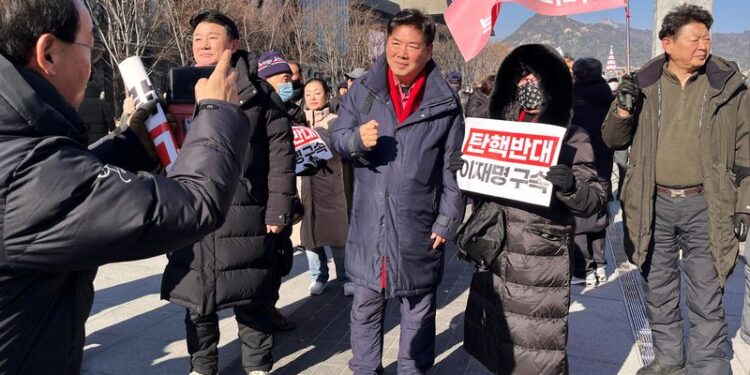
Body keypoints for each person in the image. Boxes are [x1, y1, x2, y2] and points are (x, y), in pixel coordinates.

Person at [0, 1, 251, 373]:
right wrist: (219, 111)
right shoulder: (27, 175)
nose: (92, 63)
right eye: (90, 48)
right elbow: (195, 203)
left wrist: (130, 146)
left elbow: (66, 181)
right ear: (48, 53)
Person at [602, 5, 750, 374]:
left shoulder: (728, 86)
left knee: (707, 288)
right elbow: (612, 138)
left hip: (707, 202)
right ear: (668, 43)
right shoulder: (645, 84)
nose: (704, 45)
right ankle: (669, 360)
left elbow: (746, 148)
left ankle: (709, 363)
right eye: (695, 38)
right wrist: (623, 108)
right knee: (659, 288)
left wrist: (745, 204)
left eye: (707, 37)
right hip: (654, 203)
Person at [330, 9, 465, 374]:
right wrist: (356, 140)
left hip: (419, 225)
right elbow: (337, 138)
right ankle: (364, 369)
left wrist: (447, 220)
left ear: (429, 50)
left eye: (412, 45)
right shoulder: (364, 90)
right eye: (395, 43)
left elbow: (453, 167)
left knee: (419, 308)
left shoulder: (445, 104)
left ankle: (413, 370)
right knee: (365, 306)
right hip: (370, 222)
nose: (402, 53)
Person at [160, 11, 296, 375]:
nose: (202, 44)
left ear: (233, 45)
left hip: (245, 210)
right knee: (196, 300)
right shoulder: (178, 91)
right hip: (192, 211)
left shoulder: (260, 93)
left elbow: (282, 154)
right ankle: (201, 366)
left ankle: (257, 366)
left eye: (212, 37)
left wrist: (279, 210)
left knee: (251, 296)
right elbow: (165, 151)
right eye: (197, 39)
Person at [460, 44, 605, 375]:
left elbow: (594, 202)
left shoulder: (572, 136)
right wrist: (462, 170)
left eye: (538, 78)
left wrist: (570, 185)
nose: (530, 86)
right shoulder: (494, 129)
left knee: (537, 350)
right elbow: (475, 186)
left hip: (541, 257)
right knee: (498, 344)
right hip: (496, 250)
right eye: (523, 78)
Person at [300, 78, 355, 297]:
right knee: (310, 238)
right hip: (304, 187)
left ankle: (346, 276)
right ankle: (318, 276)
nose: (312, 98)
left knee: (338, 235)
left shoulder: (336, 121)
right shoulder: (298, 122)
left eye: (317, 93)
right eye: (308, 93)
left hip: (332, 186)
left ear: (327, 95)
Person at [570, 57, 615, 286]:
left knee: (578, 216)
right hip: (604, 166)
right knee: (600, 216)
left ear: (577, 75)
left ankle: (582, 268)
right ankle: (600, 264)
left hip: (577, 164)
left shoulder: (571, 99)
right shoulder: (610, 99)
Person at [257, 51, 306, 125]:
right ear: (267, 80)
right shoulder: (253, 111)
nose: (290, 83)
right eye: (286, 79)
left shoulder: (295, 111)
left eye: (290, 79)